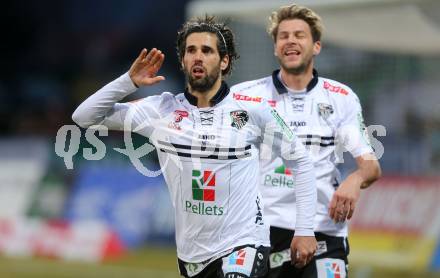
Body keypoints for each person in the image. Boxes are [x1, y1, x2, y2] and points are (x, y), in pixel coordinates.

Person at [72, 16, 317, 278]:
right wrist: (128, 82)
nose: (198, 57)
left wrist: (304, 229)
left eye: (207, 50)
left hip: (244, 242)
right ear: (183, 60)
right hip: (192, 254)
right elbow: (84, 117)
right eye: (191, 50)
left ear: (224, 61)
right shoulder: (161, 110)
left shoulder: (254, 109)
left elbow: (301, 162)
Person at [230, 5, 382, 278]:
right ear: (276, 48)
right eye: (283, 36)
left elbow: (371, 167)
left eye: (299, 35)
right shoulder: (245, 96)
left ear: (316, 46)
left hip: (323, 228)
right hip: (261, 229)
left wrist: (355, 180)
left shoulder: (341, 98)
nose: (290, 40)